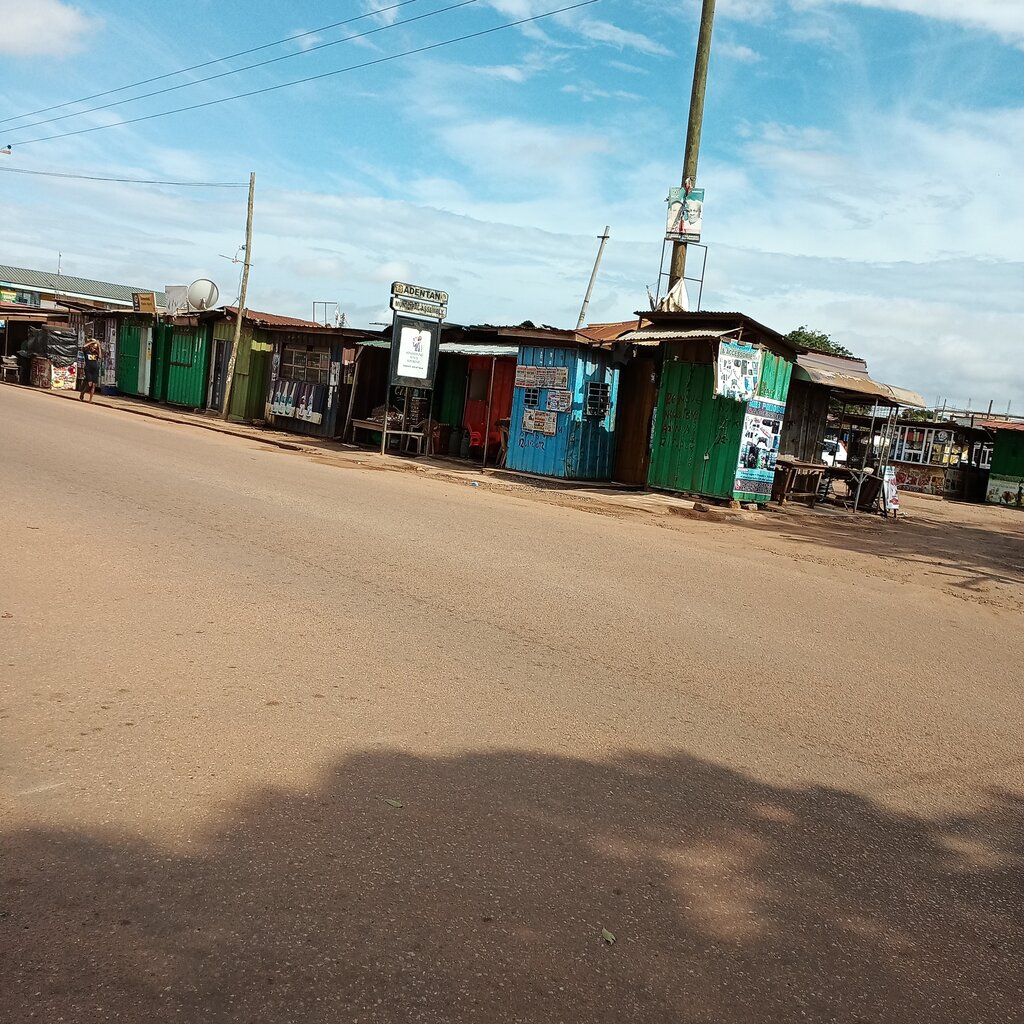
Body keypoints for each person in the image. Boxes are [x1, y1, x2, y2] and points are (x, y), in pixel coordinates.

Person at [79, 336, 101, 402]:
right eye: (93, 346)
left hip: (95, 370)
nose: (93, 348)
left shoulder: (96, 352)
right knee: (89, 384)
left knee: (94, 385)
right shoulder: (87, 351)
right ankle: (82, 392)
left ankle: (90, 400)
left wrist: (99, 346)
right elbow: (83, 346)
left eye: (94, 346)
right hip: (88, 369)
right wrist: (91, 342)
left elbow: (100, 356)